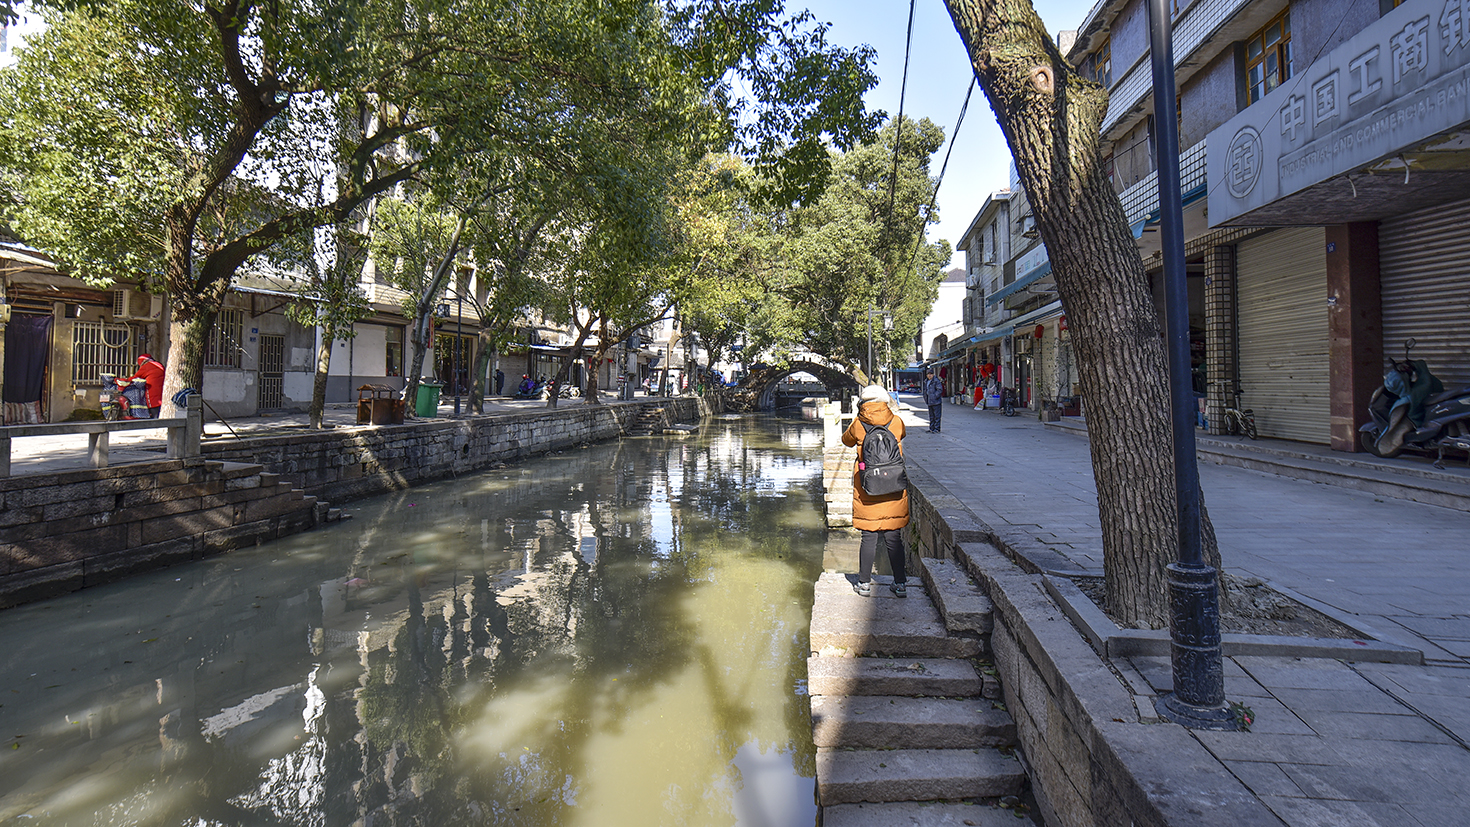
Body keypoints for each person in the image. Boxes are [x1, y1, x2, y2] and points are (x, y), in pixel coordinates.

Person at [841, 385, 910, 598]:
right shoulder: (896, 421)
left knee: (868, 536)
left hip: (868, 487)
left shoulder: (858, 424)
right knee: (893, 536)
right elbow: (903, 434)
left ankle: (863, 584)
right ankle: (900, 584)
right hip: (893, 484)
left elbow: (846, 440)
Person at [122, 353, 165, 419]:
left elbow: (135, 378)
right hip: (162, 393)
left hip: (152, 394)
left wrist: (123, 380)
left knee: (154, 414)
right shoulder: (159, 364)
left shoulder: (147, 366)